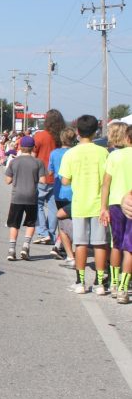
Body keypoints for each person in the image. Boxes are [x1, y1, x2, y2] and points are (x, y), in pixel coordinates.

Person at [59, 114, 110, 294]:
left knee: (80, 244)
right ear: (96, 132)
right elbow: (107, 178)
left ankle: (80, 282)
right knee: (100, 243)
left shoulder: (71, 153)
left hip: (80, 204)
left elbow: (65, 181)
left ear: (78, 132)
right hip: (100, 205)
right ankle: (99, 283)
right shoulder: (103, 152)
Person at [100, 123, 132, 301]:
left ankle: (113, 282)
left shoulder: (114, 156)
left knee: (116, 244)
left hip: (115, 204)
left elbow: (106, 184)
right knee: (130, 247)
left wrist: (103, 207)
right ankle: (123, 288)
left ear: (127, 138)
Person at [4, 136, 46, 261]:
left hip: (17, 197)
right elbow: (43, 181)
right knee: (31, 223)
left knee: (14, 224)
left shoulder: (14, 162)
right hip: (31, 197)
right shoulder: (38, 162)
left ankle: (11, 250)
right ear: (33, 147)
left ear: (20, 147)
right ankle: (26, 247)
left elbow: (7, 180)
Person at [32, 109, 66, 247]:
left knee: (37, 205)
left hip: (41, 176)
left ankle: (43, 232)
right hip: (57, 178)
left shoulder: (40, 136)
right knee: (53, 208)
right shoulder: (60, 138)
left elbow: (33, 156)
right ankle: (51, 234)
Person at [48, 127, 76, 262]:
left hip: (59, 190)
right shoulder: (75, 153)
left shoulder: (54, 153)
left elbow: (50, 171)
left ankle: (61, 245)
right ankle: (60, 245)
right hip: (74, 190)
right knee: (73, 219)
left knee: (62, 220)